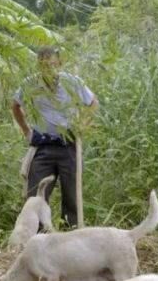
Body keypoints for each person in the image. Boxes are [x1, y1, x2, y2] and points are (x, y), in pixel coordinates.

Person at [11, 45, 98, 228]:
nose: (48, 69)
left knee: (72, 198)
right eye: (44, 65)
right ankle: (37, 240)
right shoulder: (30, 83)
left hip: (69, 146)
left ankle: (71, 238)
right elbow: (15, 105)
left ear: (59, 63)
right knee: (35, 198)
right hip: (43, 146)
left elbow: (93, 103)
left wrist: (82, 123)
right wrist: (27, 130)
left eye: (52, 64)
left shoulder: (72, 82)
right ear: (39, 66)